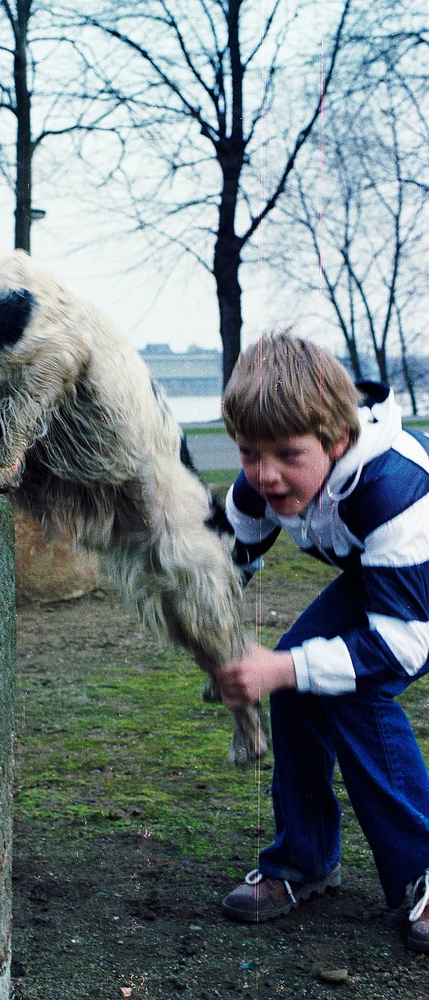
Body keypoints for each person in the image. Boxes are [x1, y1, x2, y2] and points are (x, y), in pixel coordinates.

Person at [213, 333, 429, 951]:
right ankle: (303, 861)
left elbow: (399, 649)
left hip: (420, 575)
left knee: (351, 689)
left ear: (337, 441)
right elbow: (231, 557)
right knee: (298, 675)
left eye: (286, 453)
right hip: (386, 577)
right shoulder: (260, 482)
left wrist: (282, 667)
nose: (265, 474)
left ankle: (423, 868)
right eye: (249, 452)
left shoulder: (393, 490)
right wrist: (205, 620)